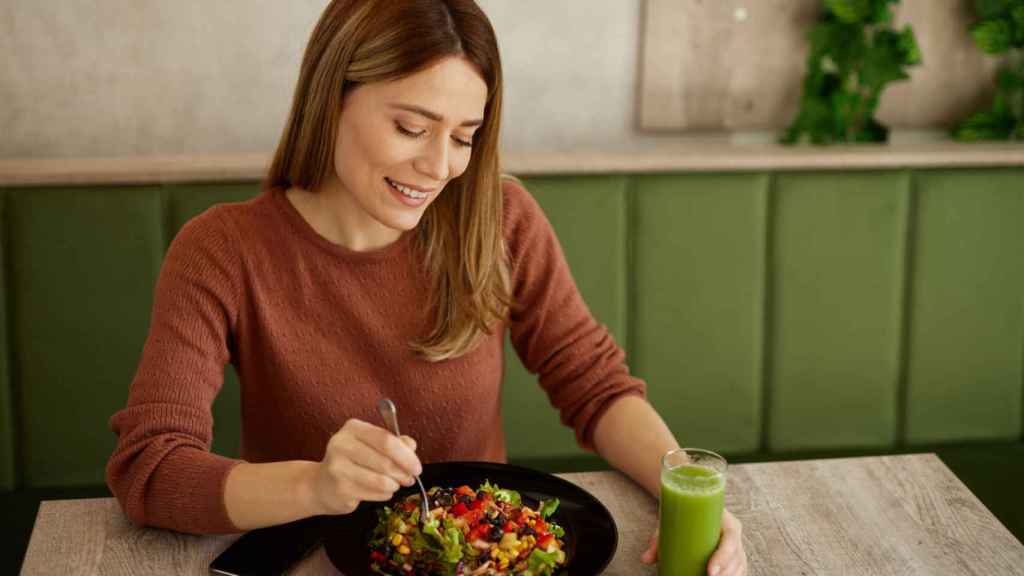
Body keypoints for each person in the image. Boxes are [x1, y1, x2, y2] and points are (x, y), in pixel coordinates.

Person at [105, 0, 747, 573]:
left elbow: (594, 385)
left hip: (487, 557)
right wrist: (316, 487)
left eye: (464, 137)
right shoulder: (222, 250)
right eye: (412, 128)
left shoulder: (500, 220)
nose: (439, 166)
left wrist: (688, 491)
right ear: (332, 100)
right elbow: (151, 468)